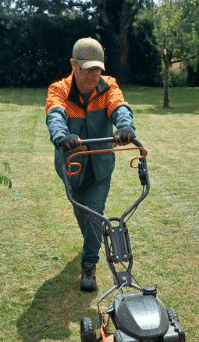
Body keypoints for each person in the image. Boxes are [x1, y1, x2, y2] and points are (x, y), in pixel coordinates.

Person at [46, 38, 136, 291]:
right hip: (71, 168)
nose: (94, 75)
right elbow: (55, 114)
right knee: (82, 214)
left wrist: (125, 126)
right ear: (74, 65)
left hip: (101, 168)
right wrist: (61, 136)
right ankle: (90, 242)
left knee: (95, 214)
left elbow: (120, 107)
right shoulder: (59, 89)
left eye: (97, 69)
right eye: (87, 69)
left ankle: (89, 266)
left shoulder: (109, 87)